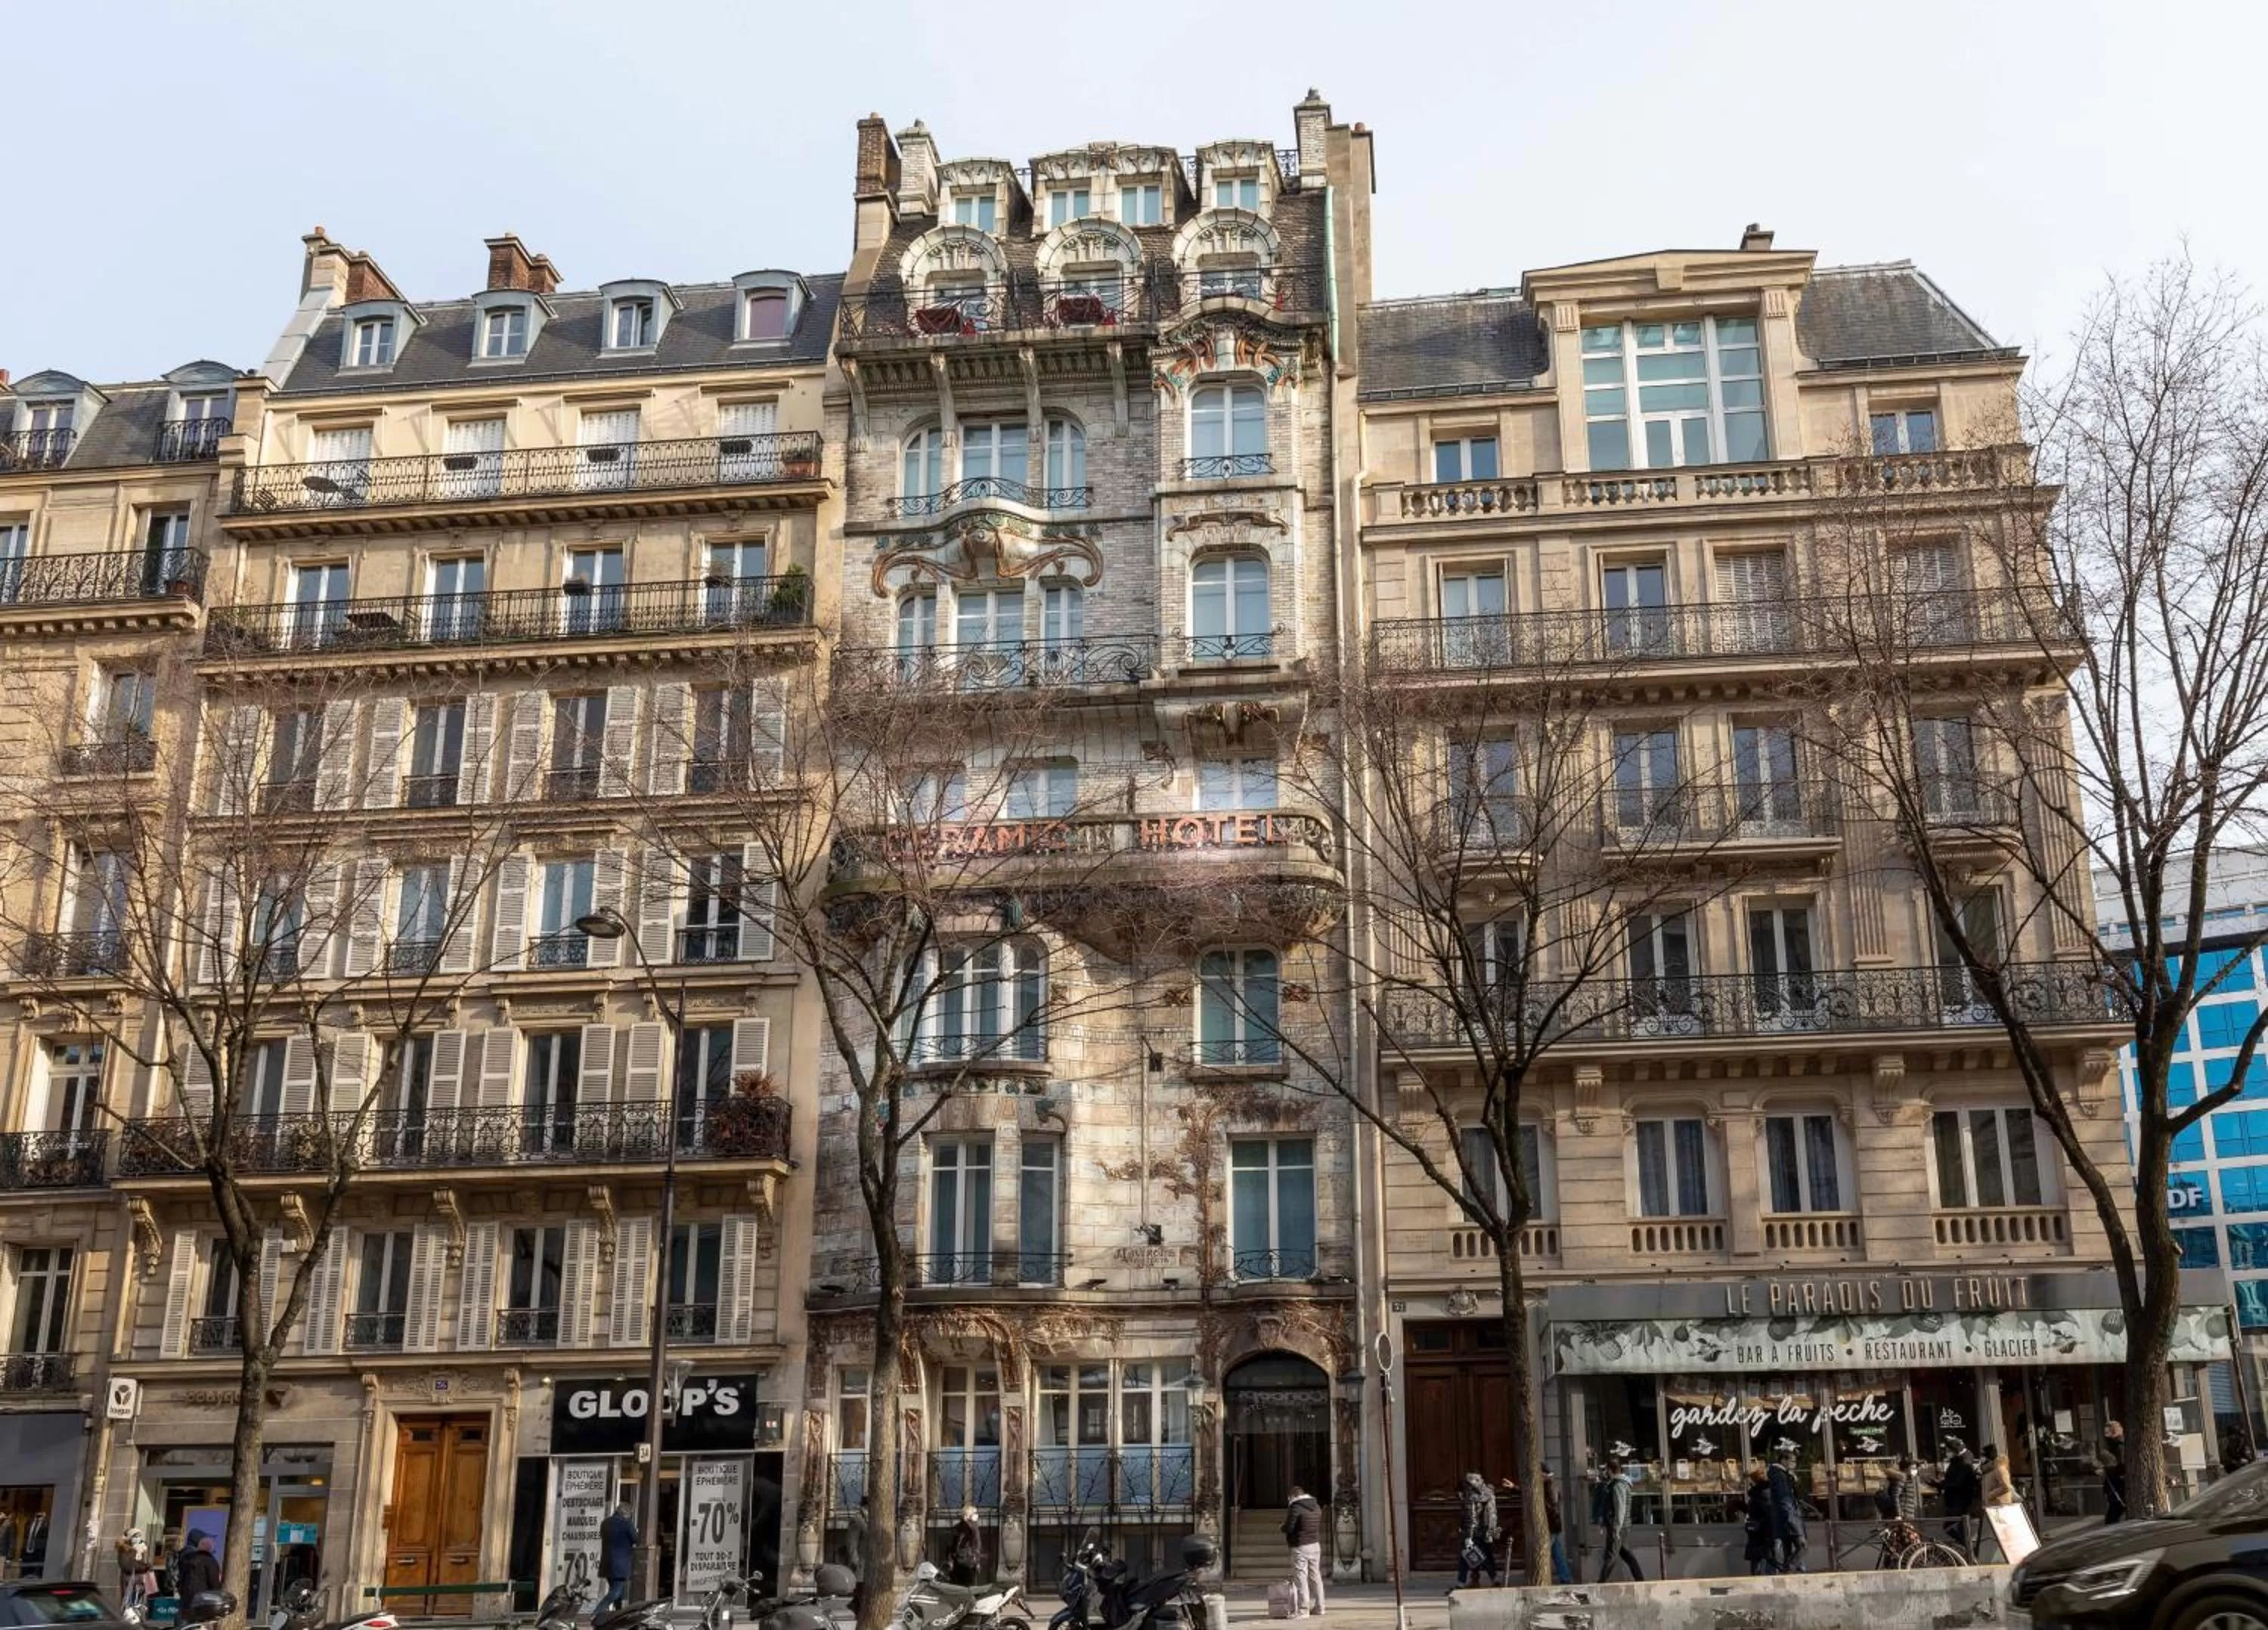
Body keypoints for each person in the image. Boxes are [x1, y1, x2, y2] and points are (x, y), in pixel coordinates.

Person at [1282, 1483, 1325, 1619]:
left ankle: (1303, 1610)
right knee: (1315, 1576)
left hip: (1300, 1545)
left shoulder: (1296, 1507)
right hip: (1315, 1544)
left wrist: (1281, 1527)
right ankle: (1320, 1607)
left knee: (1301, 1577)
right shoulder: (1316, 1506)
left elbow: (1290, 1527)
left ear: (1293, 1496)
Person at [1594, 1458, 1641, 1582]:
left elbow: (1620, 1509)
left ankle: (1600, 1583)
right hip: (1621, 1526)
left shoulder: (1619, 1485)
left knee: (1611, 1556)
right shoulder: (1617, 1484)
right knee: (1626, 1554)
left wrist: (1616, 1529)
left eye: (1606, 1470)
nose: (1605, 1473)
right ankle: (1640, 1579)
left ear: (1610, 1470)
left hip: (1619, 1527)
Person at [1455, 1472, 1500, 1589]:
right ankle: (1493, 1579)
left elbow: (1471, 1518)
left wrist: (1468, 1537)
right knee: (1485, 1555)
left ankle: (1461, 1583)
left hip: (1474, 1531)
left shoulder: (1470, 1496)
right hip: (1486, 1530)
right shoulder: (1488, 1492)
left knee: (1467, 1556)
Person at [1937, 1439, 1982, 1553]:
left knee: (1952, 1526)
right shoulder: (1958, 1459)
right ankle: (1969, 1551)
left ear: (1954, 1450)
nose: (1946, 1453)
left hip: (1960, 1502)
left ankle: (1970, 1551)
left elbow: (1959, 1482)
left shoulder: (1964, 1462)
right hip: (1956, 1501)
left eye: (1948, 1450)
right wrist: (1941, 1484)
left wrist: (1944, 1485)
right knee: (1959, 1528)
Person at [1766, 1449, 1805, 1573]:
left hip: (1785, 1518)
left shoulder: (1784, 1475)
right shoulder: (1780, 1476)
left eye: (1795, 1461)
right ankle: (1788, 1568)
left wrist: (1793, 1479)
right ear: (1783, 1460)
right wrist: (1791, 1519)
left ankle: (1788, 1571)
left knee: (1788, 1550)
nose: (1794, 1464)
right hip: (1789, 1518)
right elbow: (1785, 1499)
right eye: (1792, 1461)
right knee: (1803, 1546)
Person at [596, 1503, 637, 1617]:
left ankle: (618, 1615)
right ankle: (598, 1611)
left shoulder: (605, 1523)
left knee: (617, 1590)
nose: (630, 1517)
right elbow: (635, 1539)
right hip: (621, 1564)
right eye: (630, 1514)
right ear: (625, 1514)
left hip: (607, 1563)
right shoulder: (627, 1524)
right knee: (617, 1591)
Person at [1743, 1465, 1777, 1576]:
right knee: (1770, 1555)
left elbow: (1753, 1510)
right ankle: (1769, 1577)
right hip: (1766, 1529)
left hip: (1756, 1528)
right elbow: (1768, 1512)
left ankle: (1757, 1577)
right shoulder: (1766, 1492)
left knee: (1757, 1556)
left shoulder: (1756, 1493)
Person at [1541, 1470, 1572, 1586]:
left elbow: (1552, 1506)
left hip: (1551, 1525)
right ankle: (1565, 1578)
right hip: (1554, 1525)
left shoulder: (1549, 1487)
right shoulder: (1551, 1485)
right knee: (1557, 1553)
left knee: (1544, 1552)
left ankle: (1546, 1578)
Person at [175, 1530, 222, 1604]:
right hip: (201, 1602)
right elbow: (214, 1584)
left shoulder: (184, 1556)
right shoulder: (205, 1559)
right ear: (199, 1542)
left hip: (186, 1602)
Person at [2099, 1421, 2128, 1523]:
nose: (2105, 1435)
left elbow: (2120, 1466)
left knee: (2115, 1509)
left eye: (2107, 1432)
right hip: (2114, 1482)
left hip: (2117, 1483)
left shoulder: (2118, 1446)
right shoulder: (2113, 1445)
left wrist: (2105, 1469)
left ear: (2114, 1432)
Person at [947, 1508, 984, 1587]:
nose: (976, 1516)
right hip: (964, 1562)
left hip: (966, 1562)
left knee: (965, 1586)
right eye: (974, 1513)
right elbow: (952, 1546)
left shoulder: (972, 1527)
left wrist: (977, 1561)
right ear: (967, 1516)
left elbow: (977, 1545)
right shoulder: (962, 1528)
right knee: (962, 1586)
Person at [114, 1529, 148, 1610]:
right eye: (136, 1537)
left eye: (139, 1536)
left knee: (136, 1602)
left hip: (138, 1581)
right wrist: (144, 1567)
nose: (138, 1538)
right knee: (128, 1603)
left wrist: (145, 1566)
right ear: (130, 1538)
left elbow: (138, 1563)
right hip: (129, 1580)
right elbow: (127, 1566)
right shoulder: (125, 1550)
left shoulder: (140, 1550)